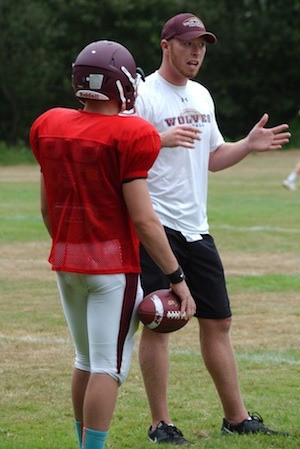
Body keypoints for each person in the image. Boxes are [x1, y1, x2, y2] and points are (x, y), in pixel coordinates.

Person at [29, 40, 195, 449]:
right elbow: (143, 219)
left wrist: (72, 247)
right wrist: (177, 277)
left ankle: (81, 442)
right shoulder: (132, 132)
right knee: (109, 367)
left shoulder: (50, 124)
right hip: (112, 269)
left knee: (85, 360)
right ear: (122, 83)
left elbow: (48, 209)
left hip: (67, 264)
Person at [135, 13, 291, 444]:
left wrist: (246, 146)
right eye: (188, 44)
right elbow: (125, 154)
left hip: (196, 229)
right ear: (166, 45)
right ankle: (160, 424)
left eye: (202, 44)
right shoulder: (143, 95)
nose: (197, 52)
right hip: (155, 226)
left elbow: (212, 156)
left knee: (218, 322)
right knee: (159, 322)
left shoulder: (202, 95)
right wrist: (156, 139)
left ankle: (236, 418)